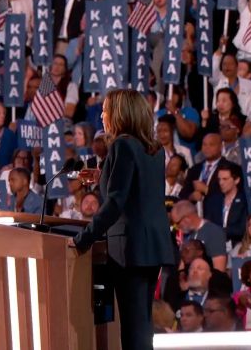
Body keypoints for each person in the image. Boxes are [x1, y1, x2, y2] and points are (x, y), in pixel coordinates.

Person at [69, 89, 174, 350]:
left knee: (132, 329)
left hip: (129, 248)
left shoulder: (122, 145)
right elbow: (140, 190)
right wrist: (102, 175)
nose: (102, 115)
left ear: (120, 113)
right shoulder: (155, 149)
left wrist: (84, 238)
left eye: (106, 110)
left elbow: (116, 202)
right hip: (152, 245)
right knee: (142, 324)